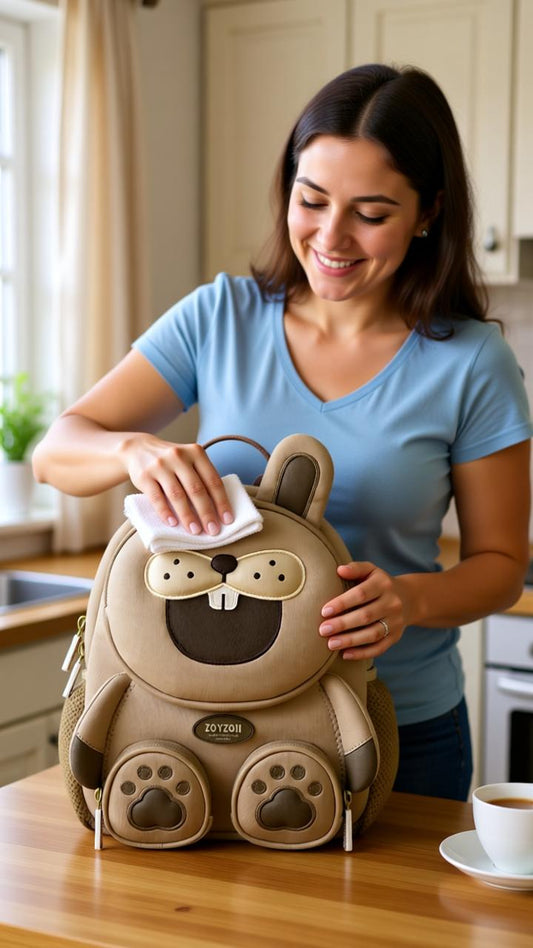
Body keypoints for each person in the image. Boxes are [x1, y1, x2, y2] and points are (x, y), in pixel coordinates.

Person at [33, 63, 531, 801]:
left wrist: (409, 601)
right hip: (213, 725)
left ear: (426, 212)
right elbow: (56, 452)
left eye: (370, 212)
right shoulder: (220, 318)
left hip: (396, 727)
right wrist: (132, 449)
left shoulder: (468, 362)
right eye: (312, 199)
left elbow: (500, 563)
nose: (331, 237)